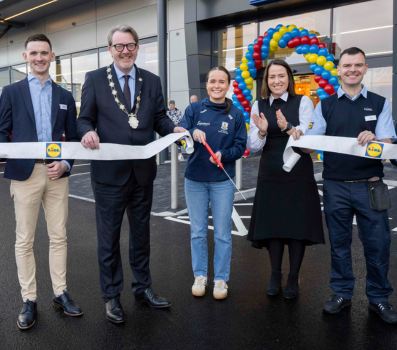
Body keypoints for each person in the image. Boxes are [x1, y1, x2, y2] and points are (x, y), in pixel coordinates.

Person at [77, 24, 186, 324]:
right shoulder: (95, 79)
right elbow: (84, 119)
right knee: (108, 238)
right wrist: (86, 132)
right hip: (109, 175)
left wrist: (172, 129)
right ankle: (111, 296)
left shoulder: (151, 81)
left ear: (138, 47)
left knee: (141, 236)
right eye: (118, 46)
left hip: (142, 174)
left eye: (130, 46)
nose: (125, 51)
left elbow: (160, 118)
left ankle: (143, 288)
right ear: (110, 49)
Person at [305, 47, 397, 324]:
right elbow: (311, 140)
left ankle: (379, 298)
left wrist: (378, 141)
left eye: (358, 65)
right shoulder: (325, 105)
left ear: (365, 68)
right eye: (347, 65)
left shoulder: (380, 103)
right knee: (340, 244)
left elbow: (388, 146)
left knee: (378, 244)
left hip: (370, 186)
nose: (352, 69)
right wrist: (297, 132)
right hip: (335, 186)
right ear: (338, 70)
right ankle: (342, 293)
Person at [0, 34, 82, 330]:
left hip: (56, 175)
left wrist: (66, 163)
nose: (38, 57)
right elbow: (2, 132)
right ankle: (29, 299)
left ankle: (60, 293)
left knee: (58, 237)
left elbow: (72, 139)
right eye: (33, 53)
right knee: (25, 240)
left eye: (44, 53)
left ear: (52, 56)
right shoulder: (11, 92)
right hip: (25, 175)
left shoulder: (64, 96)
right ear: (25, 57)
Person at [247, 59, 324, 299]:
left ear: (289, 78)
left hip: (298, 169)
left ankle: (293, 278)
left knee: (296, 225)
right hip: (270, 170)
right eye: (272, 77)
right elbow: (252, 145)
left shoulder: (303, 102)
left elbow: (308, 139)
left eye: (281, 76)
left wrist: (288, 127)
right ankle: (275, 274)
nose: (277, 81)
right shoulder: (257, 104)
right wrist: (261, 130)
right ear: (266, 81)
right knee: (274, 225)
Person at [180, 66, 247, 299]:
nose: (216, 86)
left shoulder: (236, 114)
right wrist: (191, 132)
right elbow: (178, 136)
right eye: (212, 81)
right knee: (197, 232)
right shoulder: (194, 109)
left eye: (222, 81)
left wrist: (223, 154)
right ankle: (200, 275)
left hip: (222, 181)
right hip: (195, 180)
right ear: (206, 84)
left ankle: (220, 279)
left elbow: (240, 147)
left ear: (228, 85)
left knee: (222, 234)